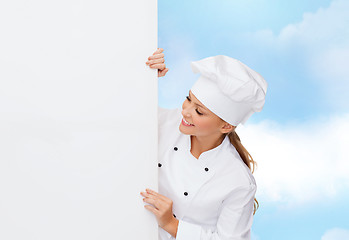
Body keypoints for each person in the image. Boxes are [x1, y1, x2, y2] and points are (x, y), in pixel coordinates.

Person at [140, 48, 268, 240]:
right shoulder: (166, 123)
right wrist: (146, 76)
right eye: (188, 99)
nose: (185, 112)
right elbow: (122, 113)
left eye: (199, 111)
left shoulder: (238, 181)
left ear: (226, 125)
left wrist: (171, 224)